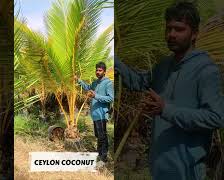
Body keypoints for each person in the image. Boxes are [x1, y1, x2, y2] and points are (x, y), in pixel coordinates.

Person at [115, 2, 224, 180]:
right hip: (159, 169)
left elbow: (216, 117)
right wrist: (115, 61)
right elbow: (139, 82)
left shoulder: (205, 70)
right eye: (169, 29)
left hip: (187, 172)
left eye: (179, 29)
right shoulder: (164, 66)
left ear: (194, 34)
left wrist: (166, 109)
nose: (171, 34)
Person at [75, 62, 114, 163]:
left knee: (102, 136)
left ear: (104, 72)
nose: (98, 72)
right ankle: (99, 153)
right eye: (97, 70)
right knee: (98, 136)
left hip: (102, 114)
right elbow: (88, 87)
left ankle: (103, 157)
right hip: (95, 114)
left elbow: (110, 98)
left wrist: (95, 96)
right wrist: (78, 80)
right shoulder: (95, 83)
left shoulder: (108, 83)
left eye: (100, 70)